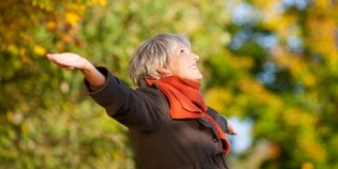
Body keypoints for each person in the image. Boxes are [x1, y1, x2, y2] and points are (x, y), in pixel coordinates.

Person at [47, 33, 236, 169]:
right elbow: (122, 99)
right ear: (162, 67)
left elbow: (211, 118)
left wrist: (227, 124)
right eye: (182, 51)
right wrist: (88, 69)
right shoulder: (155, 102)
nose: (195, 56)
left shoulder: (194, 107)